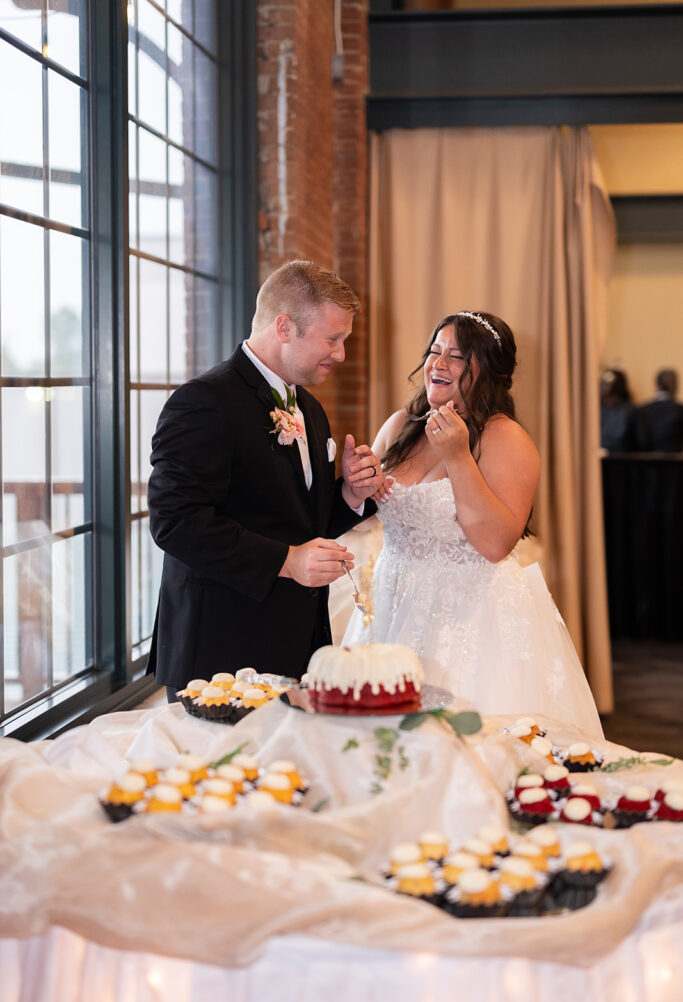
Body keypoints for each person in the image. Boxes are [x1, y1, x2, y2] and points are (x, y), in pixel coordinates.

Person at [342, 311, 603, 736]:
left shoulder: (506, 439)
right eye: (434, 351)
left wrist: (459, 456)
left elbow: (496, 544)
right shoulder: (400, 426)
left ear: (489, 371)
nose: (438, 364)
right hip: (393, 606)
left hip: (470, 620)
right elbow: (365, 521)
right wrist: (356, 487)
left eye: (457, 356)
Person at [147, 260, 384, 700]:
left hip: (295, 646)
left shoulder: (309, 409)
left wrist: (349, 493)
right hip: (219, 654)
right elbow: (175, 522)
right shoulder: (202, 402)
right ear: (284, 327)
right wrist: (288, 561)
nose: (340, 354)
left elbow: (300, 524)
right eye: (333, 339)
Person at [637, 368, 683, 452]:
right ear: (675, 386)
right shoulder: (679, 409)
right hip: (674, 462)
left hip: (646, 461)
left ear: (657, 386)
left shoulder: (642, 409)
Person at [599, 367, 640, 454]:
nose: (604, 387)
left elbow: (641, 442)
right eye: (603, 383)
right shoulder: (598, 410)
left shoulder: (630, 411)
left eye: (608, 384)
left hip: (623, 462)